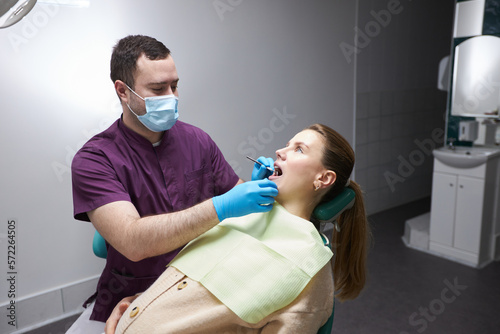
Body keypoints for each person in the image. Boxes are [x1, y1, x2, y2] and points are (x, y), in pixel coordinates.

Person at [68, 35, 278, 334]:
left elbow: (239, 200)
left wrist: (254, 190)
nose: (172, 96)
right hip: (133, 294)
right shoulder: (95, 159)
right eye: (158, 89)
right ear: (122, 91)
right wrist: (222, 206)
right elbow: (133, 241)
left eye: (174, 85)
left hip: (203, 284)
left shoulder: (197, 141)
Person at [105, 123, 370, 334]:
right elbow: (193, 297)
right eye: (287, 145)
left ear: (323, 179)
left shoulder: (308, 267)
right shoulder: (238, 216)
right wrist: (140, 304)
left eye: (299, 149)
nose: (280, 151)